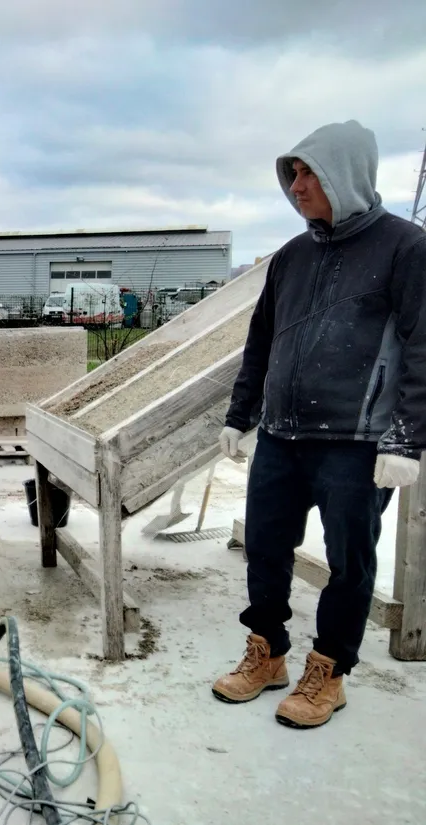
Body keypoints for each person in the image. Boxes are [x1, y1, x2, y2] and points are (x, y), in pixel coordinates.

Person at [214, 121, 426, 728]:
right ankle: (268, 653)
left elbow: (422, 347)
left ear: (344, 174)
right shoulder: (292, 256)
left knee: (349, 562)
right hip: (282, 436)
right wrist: (241, 414)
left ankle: (329, 669)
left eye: (307, 172)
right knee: (265, 547)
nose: (295, 184)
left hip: (356, 446)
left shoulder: (405, 249)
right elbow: (259, 342)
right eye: (293, 173)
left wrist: (406, 438)